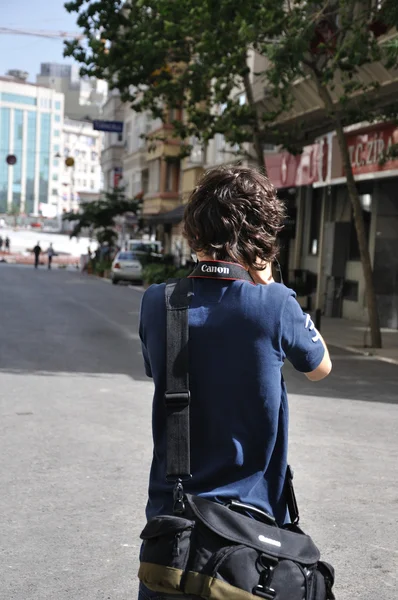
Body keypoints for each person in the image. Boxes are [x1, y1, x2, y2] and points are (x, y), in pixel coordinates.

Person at [138, 166, 332, 600]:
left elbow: (161, 371)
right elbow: (321, 366)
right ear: (262, 237)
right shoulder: (274, 303)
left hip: (172, 538)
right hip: (248, 539)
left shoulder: (158, 302)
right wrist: (266, 278)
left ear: (194, 229)